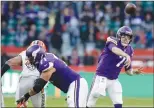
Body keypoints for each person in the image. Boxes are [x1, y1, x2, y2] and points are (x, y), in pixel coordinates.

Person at [86, 26, 144, 108]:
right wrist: (125, 55)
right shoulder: (112, 40)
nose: (126, 39)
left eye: (128, 37)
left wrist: (134, 72)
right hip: (101, 77)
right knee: (90, 103)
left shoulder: (130, 50)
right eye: (124, 36)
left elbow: (128, 70)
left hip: (114, 80)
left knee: (118, 101)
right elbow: (114, 50)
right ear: (119, 36)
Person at [16, 44, 88, 107]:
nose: (28, 61)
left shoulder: (45, 63)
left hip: (76, 84)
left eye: (30, 58)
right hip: (73, 86)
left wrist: (26, 96)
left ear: (37, 56)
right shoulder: (45, 59)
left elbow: (38, 86)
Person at [1, 40, 47, 107]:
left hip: (23, 81)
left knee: (20, 105)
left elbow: (10, 62)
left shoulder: (24, 53)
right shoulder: (46, 56)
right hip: (37, 81)